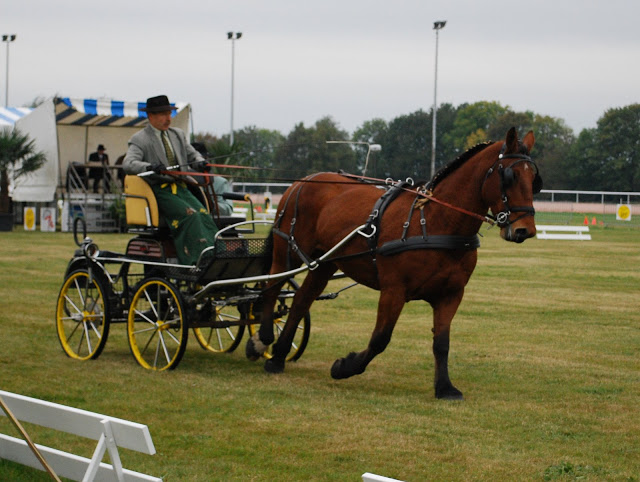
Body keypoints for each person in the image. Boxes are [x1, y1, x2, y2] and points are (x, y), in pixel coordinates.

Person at [123, 95, 218, 265]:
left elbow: (192, 154)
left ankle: (213, 254)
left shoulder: (178, 135)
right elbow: (129, 163)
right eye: (163, 114)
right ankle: (194, 261)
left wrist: (201, 163)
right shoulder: (140, 139)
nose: (168, 118)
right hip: (160, 190)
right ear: (150, 116)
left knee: (204, 214)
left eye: (169, 113)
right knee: (191, 216)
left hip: (181, 187)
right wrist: (150, 167)